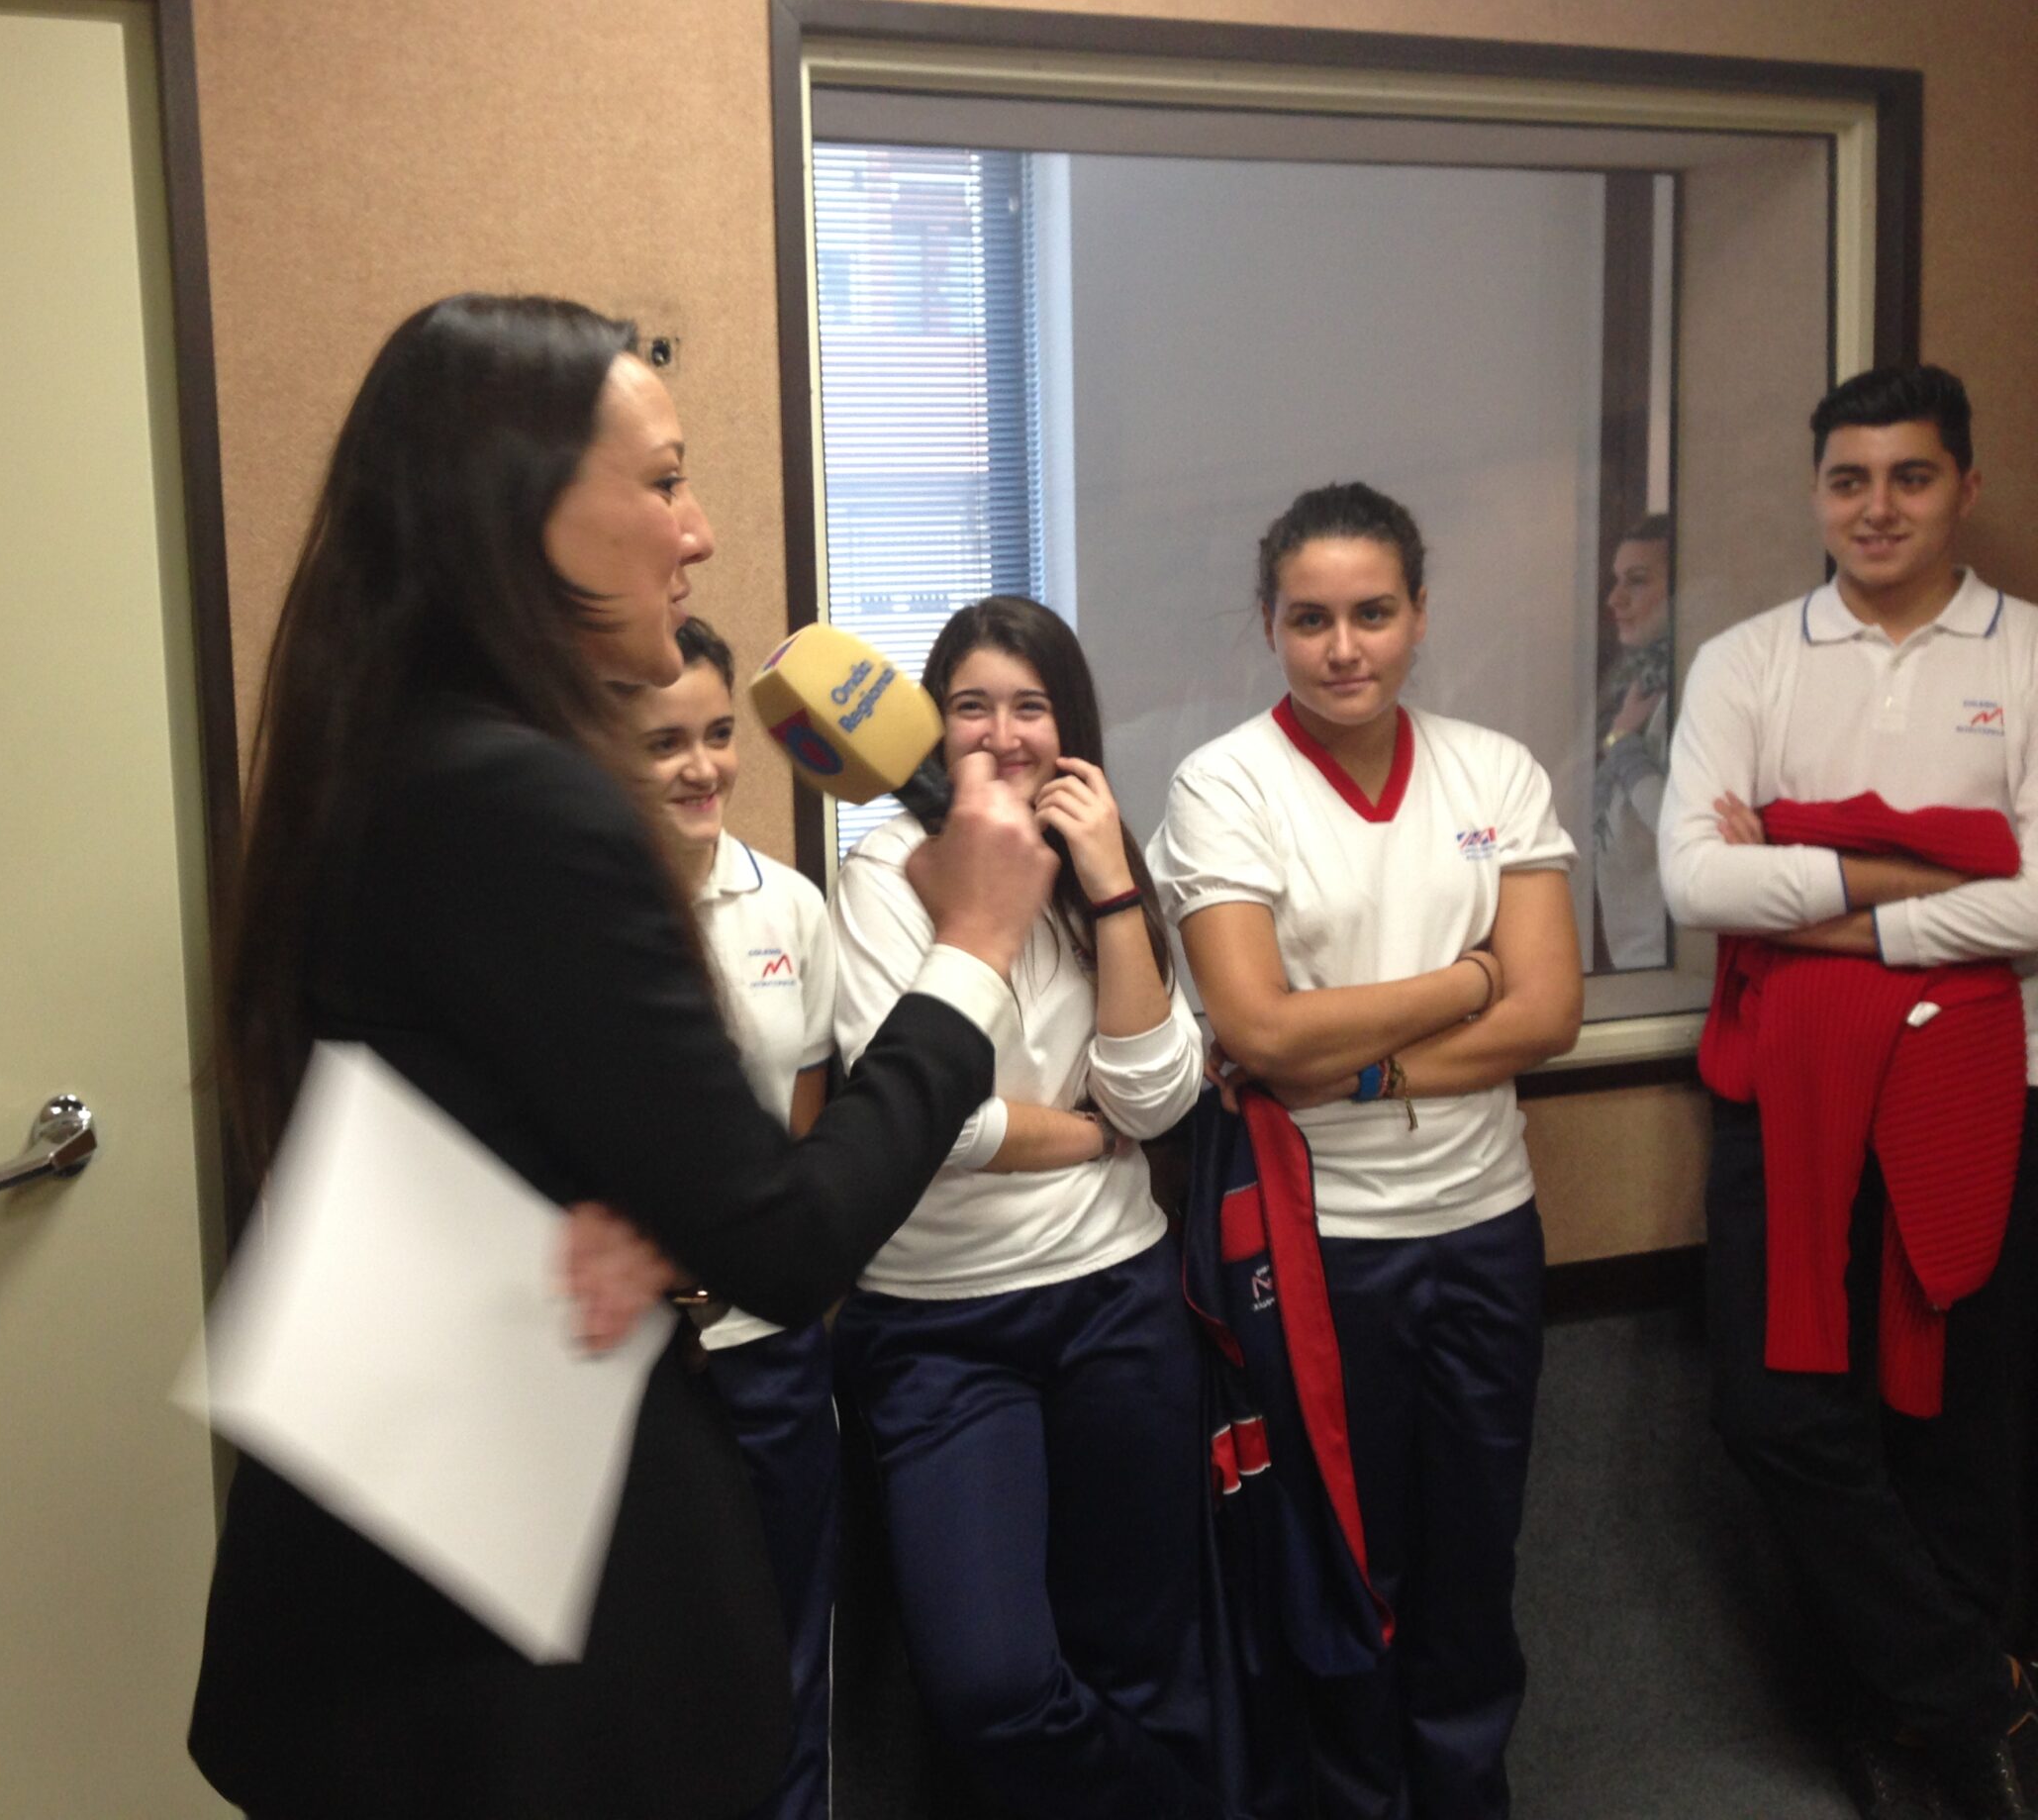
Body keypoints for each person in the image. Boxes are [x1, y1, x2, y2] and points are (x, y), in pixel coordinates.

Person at [183, 294, 1056, 1820]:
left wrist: (631, 1212)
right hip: (512, 1616)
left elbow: (465, 1113)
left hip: (394, 1577)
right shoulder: (526, 800)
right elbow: (788, 1243)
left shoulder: (380, 745)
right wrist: (971, 950)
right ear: (517, 510)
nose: (698, 531)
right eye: (662, 482)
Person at [1149, 481, 1582, 1820]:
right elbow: (1261, 1030)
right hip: (1320, 1245)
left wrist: (1371, 1063)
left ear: (1420, 614)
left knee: (1474, 1554)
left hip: (1487, 1227)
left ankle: (1462, 1794)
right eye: (1312, 619)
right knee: (1345, 1558)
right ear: (1267, 624)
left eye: (1374, 614)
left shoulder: (1494, 771)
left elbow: (1550, 1014)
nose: (1345, 648)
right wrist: (1468, 981)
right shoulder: (1224, 783)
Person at [1658, 364, 2038, 1820]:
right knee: (1777, 1413)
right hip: (1787, 1095)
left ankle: (1913, 1729)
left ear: (1965, 488)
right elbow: (1696, 882)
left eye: (1911, 477)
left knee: (1959, 1419)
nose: (1877, 508)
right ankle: (1974, 1693)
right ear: (1817, 494)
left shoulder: (2027, 653)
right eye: (1849, 480)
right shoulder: (1748, 661)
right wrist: (1937, 873)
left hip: (1978, 1086)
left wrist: (1822, 894)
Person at [826, 595, 1212, 1819]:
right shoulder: (887, 871)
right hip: (939, 1328)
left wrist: (1109, 887)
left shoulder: (1101, 864)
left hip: (1117, 1302)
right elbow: (929, 1126)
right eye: (971, 707)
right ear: (929, 730)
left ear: (1069, 727)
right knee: (987, 1682)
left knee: (1139, 1654)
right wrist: (1084, 1133)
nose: (1001, 734)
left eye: (1029, 707)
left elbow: (1156, 1098)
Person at [623, 613, 841, 1820]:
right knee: (649, 1688)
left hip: (766, 1352)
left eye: (717, 735)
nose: (701, 767)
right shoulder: (571, 918)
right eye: (664, 743)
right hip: (625, 1364)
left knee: (788, 1663)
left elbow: (798, 1140)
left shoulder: (789, 907)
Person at [1594, 514, 1673, 969]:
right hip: (1638, 961)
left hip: (1675, 962)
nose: (1615, 599)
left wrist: (1623, 745)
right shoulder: (1637, 685)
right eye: (1616, 580)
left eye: (1637, 581)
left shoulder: (1689, 692)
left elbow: (1681, 825)